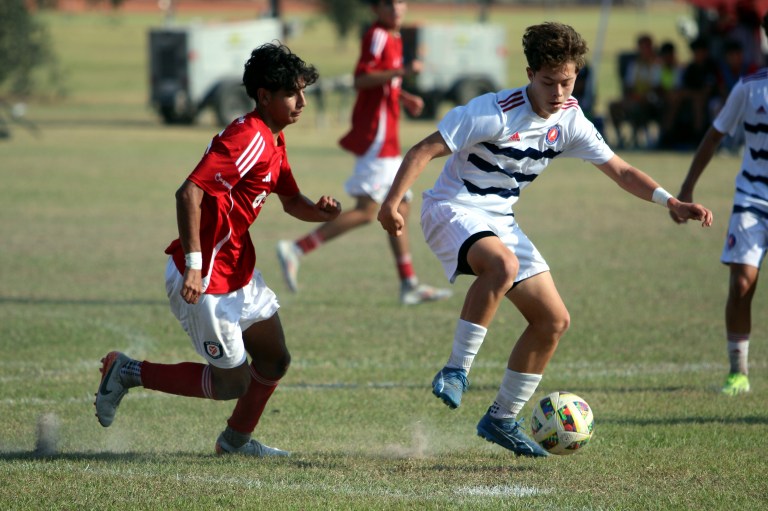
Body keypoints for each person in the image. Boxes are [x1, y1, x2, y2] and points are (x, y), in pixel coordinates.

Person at [378, 22, 713, 457]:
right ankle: (457, 370)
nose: (558, 92)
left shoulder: (570, 119)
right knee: (503, 266)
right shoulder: (492, 110)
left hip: (500, 219)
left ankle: (501, 418)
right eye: (549, 82)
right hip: (450, 208)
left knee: (553, 320)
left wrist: (670, 201)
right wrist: (389, 204)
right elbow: (422, 150)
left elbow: (622, 171)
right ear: (530, 73)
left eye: (568, 82)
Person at [94, 43, 342, 456]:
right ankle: (127, 371)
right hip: (206, 281)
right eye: (291, 94)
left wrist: (322, 213)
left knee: (275, 359)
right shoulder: (248, 137)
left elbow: (292, 201)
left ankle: (234, 443)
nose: (301, 103)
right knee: (233, 383)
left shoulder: (272, 140)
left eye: (303, 92)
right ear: (264, 96)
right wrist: (195, 265)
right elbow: (188, 192)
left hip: (237, 270)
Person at [276, 0, 451, 306]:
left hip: (387, 138)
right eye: (389, 4)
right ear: (377, 9)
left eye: (400, 2)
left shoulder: (393, 36)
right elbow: (361, 79)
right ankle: (298, 248)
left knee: (401, 207)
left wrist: (404, 95)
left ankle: (408, 282)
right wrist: (401, 71)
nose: (397, 9)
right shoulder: (378, 36)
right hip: (376, 137)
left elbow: (383, 82)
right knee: (370, 210)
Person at [670, 13, 768, 397]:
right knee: (742, 282)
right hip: (752, 198)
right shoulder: (749, 88)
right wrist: (687, 190)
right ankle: (738, 371)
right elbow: (713, 137)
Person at [608, 33, 663, 149]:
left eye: (647, 47)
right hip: (634, 98)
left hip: (652, 101)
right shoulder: (634, 65)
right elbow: (629, 85)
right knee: (613, 105)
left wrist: (641, 96)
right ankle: (620, 139)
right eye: (641, 47)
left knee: (638, 106)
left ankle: (641, 137)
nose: (644, 50)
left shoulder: (657, 65)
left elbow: (656, 87)